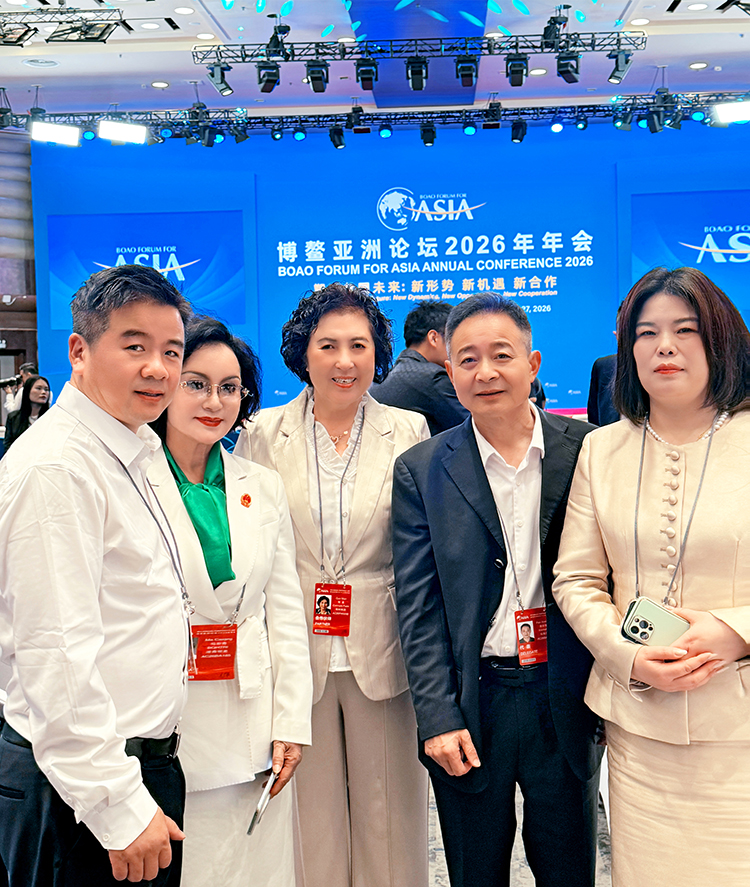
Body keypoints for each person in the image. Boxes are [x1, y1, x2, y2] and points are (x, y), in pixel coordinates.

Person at [391, 292, 602, 887]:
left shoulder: (587, 450)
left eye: (501, 355)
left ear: (532, 364)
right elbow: (418, 608)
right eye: (467, 360)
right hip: (472, 702)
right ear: (449, 370)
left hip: (564, 695)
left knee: (569, 869)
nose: (485, 372)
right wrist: (436, 717)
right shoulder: (421, 470)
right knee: (474, 871)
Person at [552, 267, 750, 887]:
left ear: (721, 340)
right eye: (647, 333)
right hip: (639, 725)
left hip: (740, 723)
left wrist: (735, 631)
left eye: (685, 330)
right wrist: (625, 654)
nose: (665, 346)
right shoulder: (602, 449)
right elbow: (576, 579)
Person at [0, 264, 192, 886]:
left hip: (132, 769)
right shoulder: (59, 467)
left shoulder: (134, 450)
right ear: (79, 351)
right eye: (135, 346)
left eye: (171, 351)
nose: (158, 368)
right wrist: (117, 806)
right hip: (82, 790)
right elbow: (55, 651)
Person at [236, 282, 430, 887]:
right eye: (328, 346)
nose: (345, 361)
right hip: (295, 650)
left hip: (385, 646)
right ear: (304, 353)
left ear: (377, 353)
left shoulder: (409, 429)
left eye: (359, 345)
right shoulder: (262, 433)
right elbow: (253, 549)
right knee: (308, 825)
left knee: (390, 818)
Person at [148, 316, 312, 887]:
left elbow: (284, 613)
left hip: (254, 723)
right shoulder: (131, 480)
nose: (214, 401)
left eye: (229, 387)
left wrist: (291, 720)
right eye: (196, 384)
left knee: (259, 868)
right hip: (166, 729)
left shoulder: (260, 485)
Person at [371, 300, 468, 434]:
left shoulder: (390, 376)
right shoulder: (432, 378)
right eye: (454, 338)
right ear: (433, 338)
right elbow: (480, 425)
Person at [3, 375, 50, 453]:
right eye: (38, 388)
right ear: (27, 391)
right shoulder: (13, 418)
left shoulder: (52, 418)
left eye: (46, 389)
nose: (43, 392)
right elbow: (8, 447)